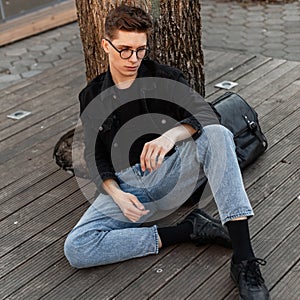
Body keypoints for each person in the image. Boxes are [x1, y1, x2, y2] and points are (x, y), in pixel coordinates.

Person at [64, 4, 270, 299]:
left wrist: (171, 136)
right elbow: (94, 157)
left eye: (140, 49)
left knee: (216, 134)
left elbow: (207, 113)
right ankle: (188, 230)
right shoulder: (92, 95)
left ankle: (244, 260)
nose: (133, 59)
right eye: (124, 49)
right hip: (128, 186)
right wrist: (116, 193)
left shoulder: (165, 77)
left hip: (174, 173)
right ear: (105, 45)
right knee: (78, 247)